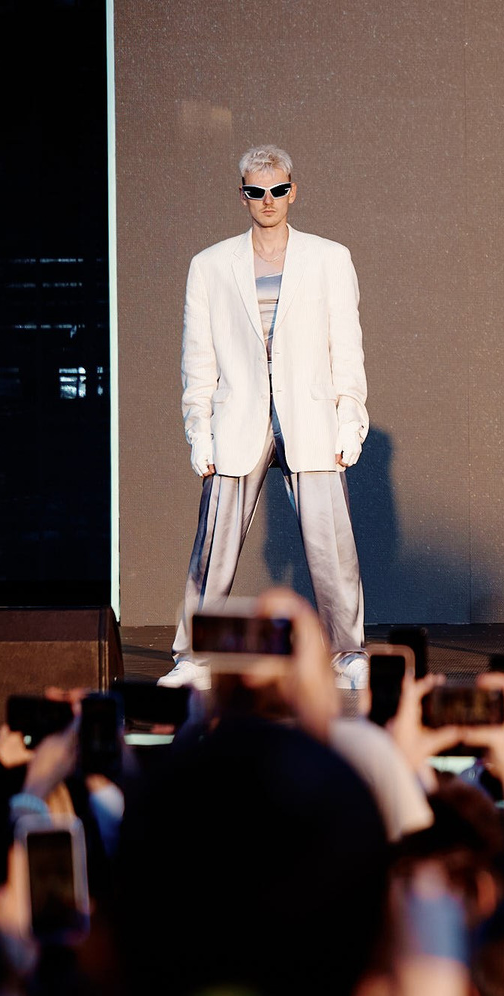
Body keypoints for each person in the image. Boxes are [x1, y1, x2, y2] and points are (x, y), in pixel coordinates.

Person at [160, 144, 371, 691]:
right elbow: (198, 357)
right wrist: (199, 430)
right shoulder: (210, 265)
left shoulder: (329, 258)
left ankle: (347, 653)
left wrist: (351, 419)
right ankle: (193, 656)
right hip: (237, 419)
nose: (268, 200)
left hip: (311, 417)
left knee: (332, 547)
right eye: (257, 191)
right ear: (243, 196)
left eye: (277, 189)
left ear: (292, 190)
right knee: (213, 547)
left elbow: (346, 347)